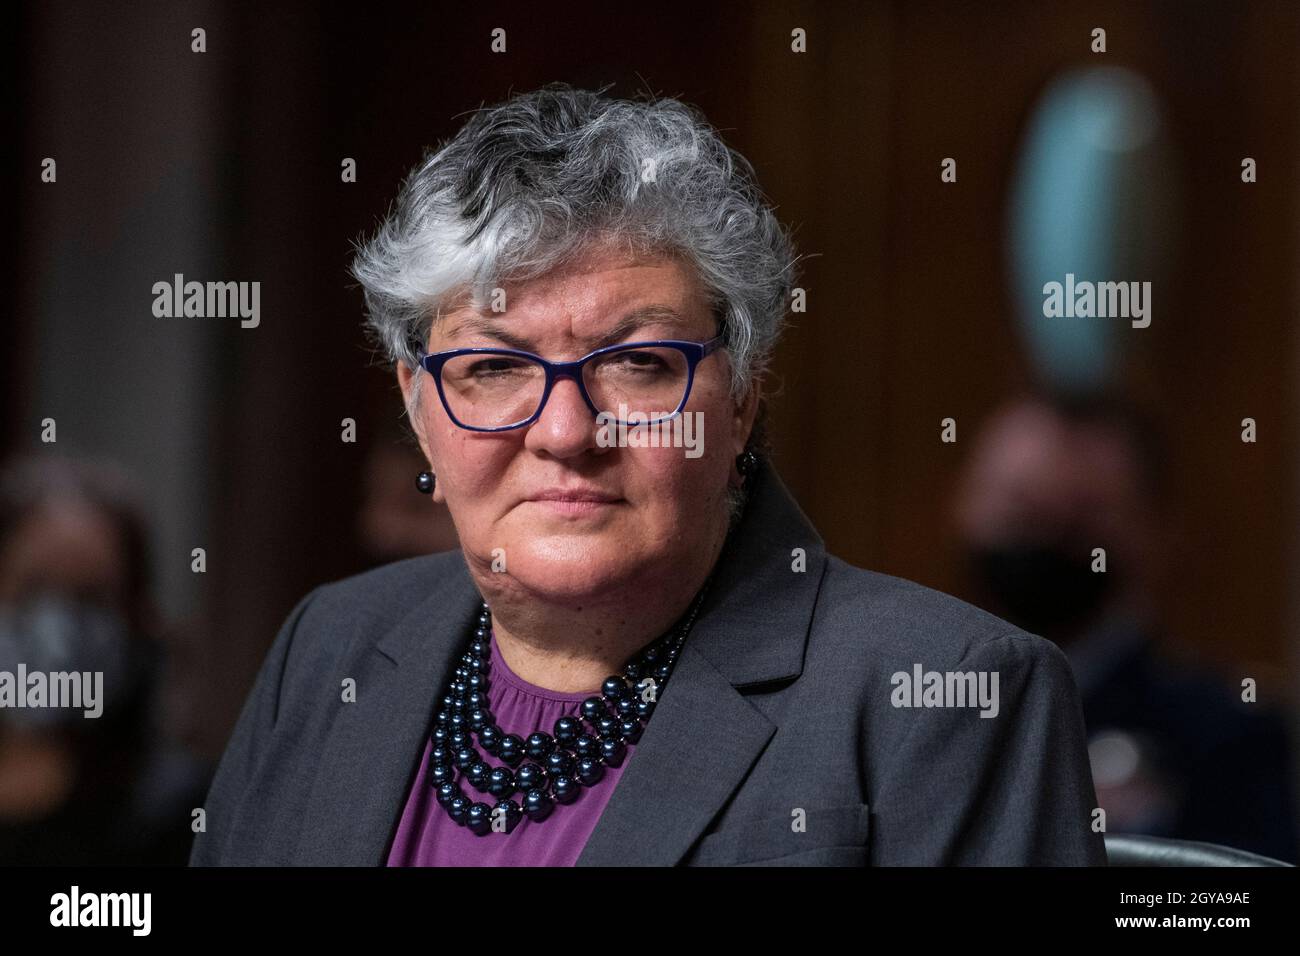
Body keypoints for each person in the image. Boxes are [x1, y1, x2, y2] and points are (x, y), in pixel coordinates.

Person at [189, 83, 1105, 866]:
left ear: (741, 396)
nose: (564, 431)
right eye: (495, 369)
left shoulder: (950, 693)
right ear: (421, 409)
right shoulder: (329, 647)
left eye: (637, 364)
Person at [954, 395, 1299, 862]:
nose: (1045, 536)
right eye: (1021, 506)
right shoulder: (906, 703)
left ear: (1154, 530)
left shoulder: (1227, 732)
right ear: (962, 505)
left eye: (1083, 514)